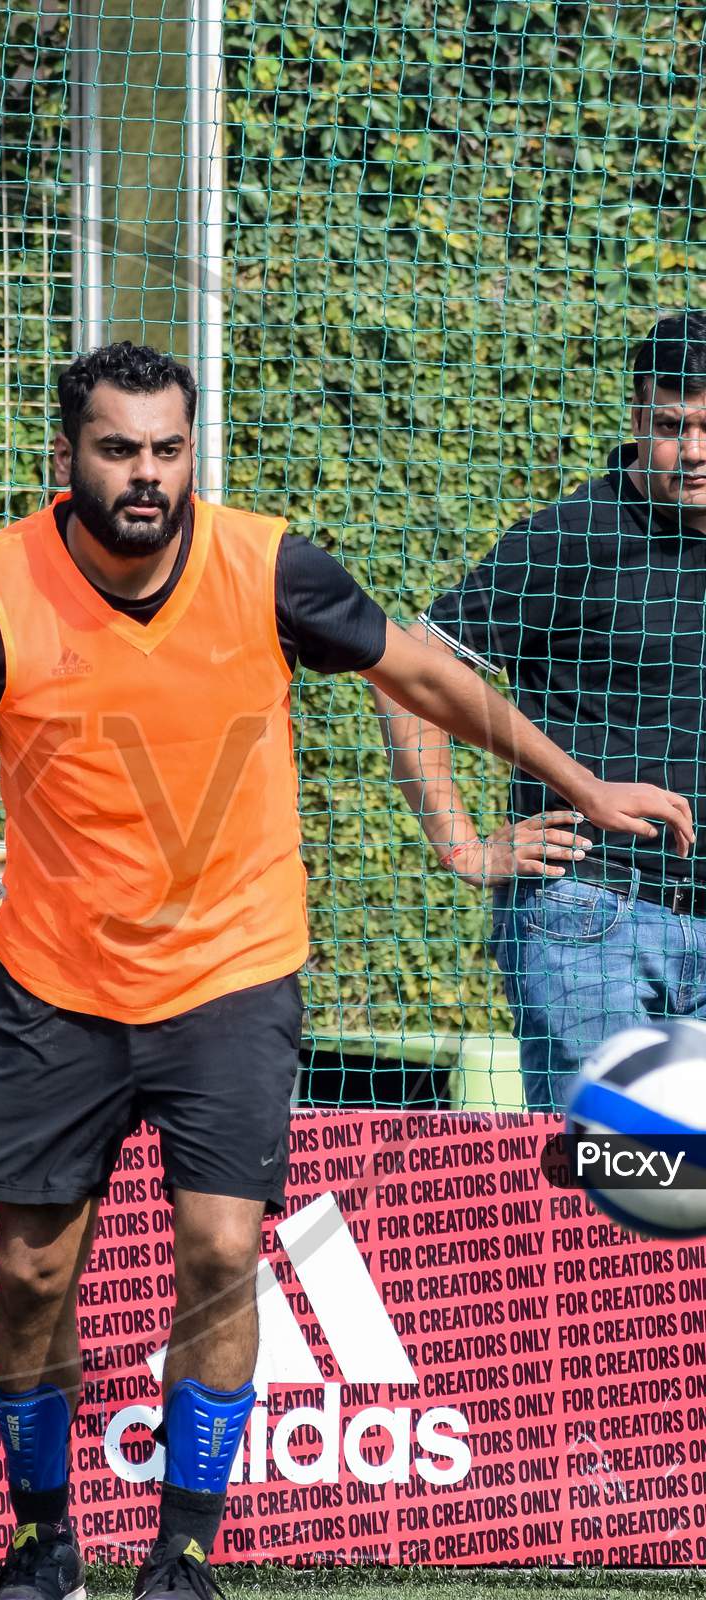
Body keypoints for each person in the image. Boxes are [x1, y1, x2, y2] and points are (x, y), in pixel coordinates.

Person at [0, 342, 691, 1600]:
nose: (145, 475)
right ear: (65, 456)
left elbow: (420, 672)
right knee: (30, 1270)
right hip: (52, 982)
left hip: (234, 973)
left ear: (194, 452)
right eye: (118, 449)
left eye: (167, 450)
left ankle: (183, 1549)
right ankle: (41, 1540)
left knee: (219, 1250)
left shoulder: (266, 563)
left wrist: (575, 787)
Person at [376, 309, 706, 1112]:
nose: (694, 453)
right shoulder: (572, 537)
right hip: (591, 917)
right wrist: (461, 846)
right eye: (671, 426)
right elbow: (404, 674)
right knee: (615, 1191)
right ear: (636, 420)